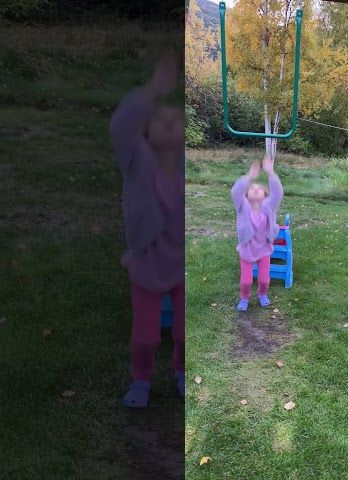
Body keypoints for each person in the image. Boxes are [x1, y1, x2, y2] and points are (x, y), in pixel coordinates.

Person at [109, 51, 186, 408]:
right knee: (146, 335)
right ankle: (140, 380)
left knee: (185, 331)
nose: (169, 121)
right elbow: (121, 124)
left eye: (176, 118)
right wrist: (154, 91)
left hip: (182, 264)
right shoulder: (137, 160)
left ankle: (182, 370)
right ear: (147, 131)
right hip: (147, 262)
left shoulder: (189, 167)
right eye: (161, 118)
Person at [231, 154, 283, 311]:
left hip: (264, 251)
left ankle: (262, 294)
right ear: (246, 195)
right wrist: (249, 177)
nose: (255, 189)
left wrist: (270, 173)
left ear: (265, 195)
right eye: (252, 189)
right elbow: (235, 192)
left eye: (259, 189)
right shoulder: (242, 207)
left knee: (264, 279)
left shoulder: (269, 206)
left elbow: (278, 193)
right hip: (247, 251)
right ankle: (244, 298)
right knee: (246, 281)